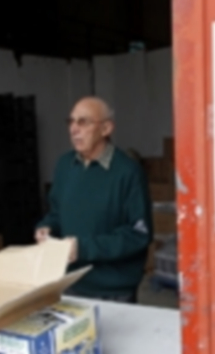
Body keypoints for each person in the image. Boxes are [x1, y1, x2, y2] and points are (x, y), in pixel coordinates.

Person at [35, 96, 153, 304]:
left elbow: (138, 234)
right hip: (68, 283)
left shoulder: (128, 172)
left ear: (106, 128)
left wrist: (83, 248)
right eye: (71, 121)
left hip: (113, 290)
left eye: (83, 122)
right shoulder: (65, 165)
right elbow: (56, 213)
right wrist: (46, 228)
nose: (74, 129)